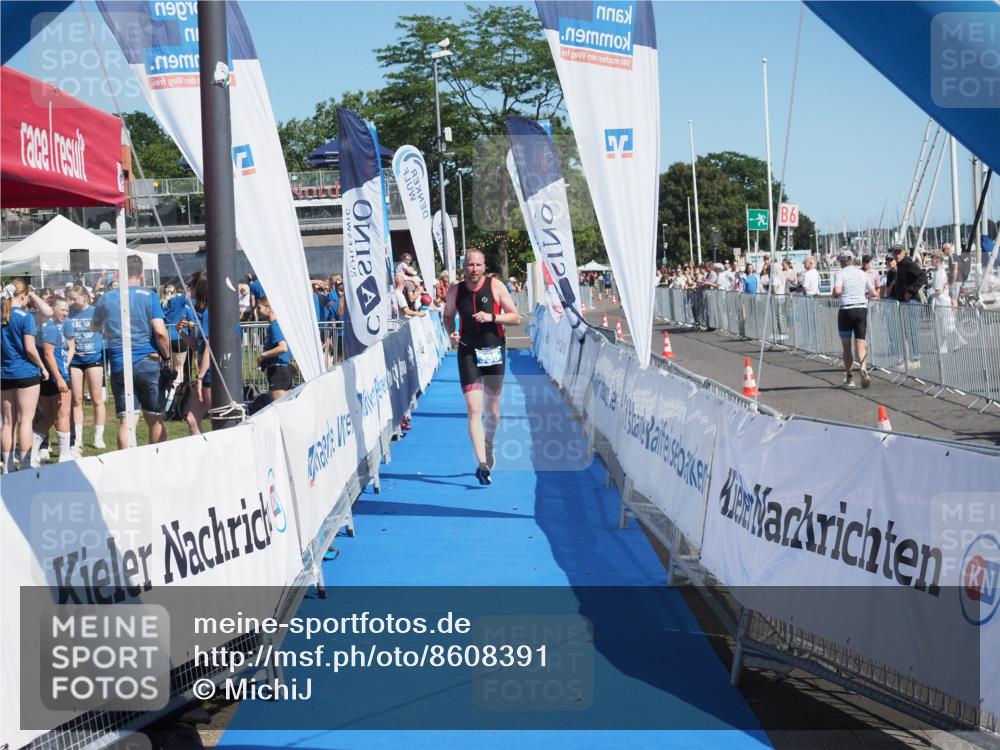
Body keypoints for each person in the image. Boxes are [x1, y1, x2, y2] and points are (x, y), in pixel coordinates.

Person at [443, 249, 520, 485]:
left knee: (493, 411)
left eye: (477, 265)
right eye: (469, 265)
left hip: (494, 351)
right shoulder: (455, 290)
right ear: (463, 267)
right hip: (467, 352)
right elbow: (448, 316)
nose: (473, 269)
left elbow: (515, 317)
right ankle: (482, 464)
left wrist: (492, 317)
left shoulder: (496, 286)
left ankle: (489, 443)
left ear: (483, 266)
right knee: (473, 409)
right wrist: (451, 334)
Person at [92, 254, 171, 449]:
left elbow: (95, 327)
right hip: (148, 361)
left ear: (120, 273)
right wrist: (167, 356)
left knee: (127, 422)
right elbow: (160, 332)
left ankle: (126, 466)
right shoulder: (149, 296)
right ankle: (157, 461)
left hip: (119, 363)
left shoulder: (106, 298)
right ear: (141, 274)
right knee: (155, 419)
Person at [1, 280, 48, 471]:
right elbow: (30, 348)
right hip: (25, 372)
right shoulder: (26, 316)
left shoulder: (3, 314)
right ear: (25, 295)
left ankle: (8, 465)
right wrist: (43, 367)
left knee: (7, 421)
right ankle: (27, 463)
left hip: (4, 373)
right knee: (25, 420)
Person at [66, 286, 106, 454]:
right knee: (77, 400)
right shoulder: (69, 313)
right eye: (69, 298)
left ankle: (98, 437)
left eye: (74, 298)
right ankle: (78, 438)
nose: (71, 302)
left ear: (84, 297)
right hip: (75, 360)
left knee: (97, 399)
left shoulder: (96, 311)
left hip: (93, 359)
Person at [34, 299, 74, 462]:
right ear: (51, 309)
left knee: (49, 416)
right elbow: (49, 354)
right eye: (62, 309)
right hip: (56, 376)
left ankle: (32, 451)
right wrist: (59, 378)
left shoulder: (43, 326)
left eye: (67, 310)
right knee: (63, 415)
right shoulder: (50, 328)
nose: (65, 313)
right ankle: (65, 456)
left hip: (48, 376)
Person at [832, 253, 875, 388]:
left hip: (846, 309)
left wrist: (834, 294)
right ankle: (863, 367)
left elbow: (838, 291)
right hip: (861, 308)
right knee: (860, 342)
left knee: (846, 345)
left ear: (842, 262)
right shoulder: (862, 273)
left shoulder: (840, 273)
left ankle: (850, 376)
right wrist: (863, 295)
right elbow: (874, 293)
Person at [176, 272, 212, 436]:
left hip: (210, 376)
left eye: (191, 287)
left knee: (217, 418)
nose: (189, 291)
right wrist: (182, 333)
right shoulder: (202, 314)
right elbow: (198, 346)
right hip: (205, 375)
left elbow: (209, 349)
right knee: (192, 418)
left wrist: (200, 377)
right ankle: (202, 456)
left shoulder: (208, 314)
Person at [890, 244, 925, 364]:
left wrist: (910, 291)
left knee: (912, 329)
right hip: (903, 301)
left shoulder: (908, 263)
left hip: (912, 300)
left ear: (904, 252)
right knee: (905, 330)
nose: (897, 254)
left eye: (899, 252)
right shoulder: (900, 265)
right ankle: (908, 356)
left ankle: (916, 357)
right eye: (895, 252)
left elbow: (922, 276)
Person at [255, 295, 293, 402]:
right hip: (279, 372)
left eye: (259, 308)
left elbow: (283, 348)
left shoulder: (275, 326)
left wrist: (263, 355)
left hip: (279, 373)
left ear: (269, 308)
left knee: (281, 411)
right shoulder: (277, 325)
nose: (257, 311)